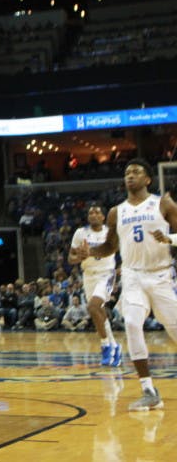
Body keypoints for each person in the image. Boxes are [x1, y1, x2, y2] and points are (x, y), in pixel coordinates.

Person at [80, 159, 177, 411]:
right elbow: (110, 247)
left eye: (136, 172)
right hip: (133, 275)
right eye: (126, 173)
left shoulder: (163, 203)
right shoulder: (116, 212)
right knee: (133, 323)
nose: (130, 176)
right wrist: (90, 252)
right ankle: (148, 390)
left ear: (148, 179)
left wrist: (169, 238)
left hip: (161, 275)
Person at [67, 205, 121, 365]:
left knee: (92, 307)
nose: (93, 214)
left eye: (97, 212)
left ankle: (105, 345)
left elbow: (113, 250)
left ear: (103, 217)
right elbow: (70, 258)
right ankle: (114, 345)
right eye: (90, 212)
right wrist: (79, 257)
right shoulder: (80, 233)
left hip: (106, 274)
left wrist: (91, 252)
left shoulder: (109, 232)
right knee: (98, 311)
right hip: (88, 275)